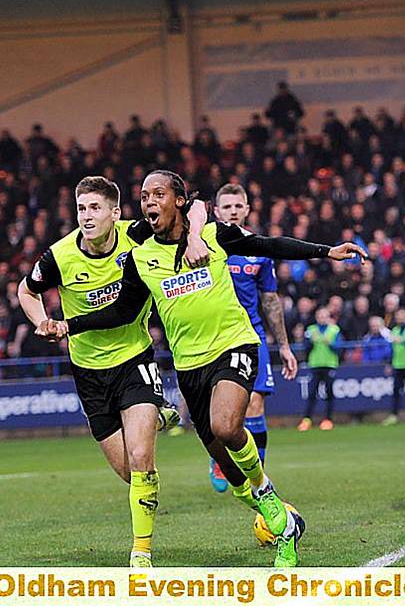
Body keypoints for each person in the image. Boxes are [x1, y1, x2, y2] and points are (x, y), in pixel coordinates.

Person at [40, 169, 366, 567]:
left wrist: (324, 251)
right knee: (225, 465)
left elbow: (267, 244)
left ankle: (267, 494)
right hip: (188, 364)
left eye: (158, 194)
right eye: (144, 197)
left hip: (233, 343)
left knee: (228, 426)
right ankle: (278, 518)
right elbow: (122, 310)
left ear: (179, 201)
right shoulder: (140, 256)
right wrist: (68, 324)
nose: (148, 202)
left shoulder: (214, 234)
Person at [18, 175, 209, 568]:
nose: (87, 216)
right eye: (81, 208)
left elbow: (195, 206)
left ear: (115, 213)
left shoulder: (135, 235)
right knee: (130, 471)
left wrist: (195, 238)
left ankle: (141, 551)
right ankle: (155, 416)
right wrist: (42, 320)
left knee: (141, 458)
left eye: (95, 208)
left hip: (133, 360)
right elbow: (26, 290)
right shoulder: (59, 255)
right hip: (88, 372)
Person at [209, 183, 298, 493]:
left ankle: (257, 478)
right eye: (227, 206)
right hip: (214, 337)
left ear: (246, 210)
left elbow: (271, 300)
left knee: (255, 406)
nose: (233, 211)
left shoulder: (258, 250)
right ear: (216, 212)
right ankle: (221, 459)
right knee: (221, 413)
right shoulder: (206, 246)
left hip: (252, 335)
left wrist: (284, 346)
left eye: (238, 206)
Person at [297, 308, 342, 432]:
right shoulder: (311, 330)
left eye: (324, 316)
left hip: (329, 364)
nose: (322, 318)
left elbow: (340, 347)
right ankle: (307, 420)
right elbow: (305, 347)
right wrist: (311, 342)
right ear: (316, 317)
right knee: (312, 393)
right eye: (320, 316)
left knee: (329, 393)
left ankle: (328, 419)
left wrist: (330, 344)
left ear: (328, 317)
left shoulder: (334, 330)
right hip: (315, 364)